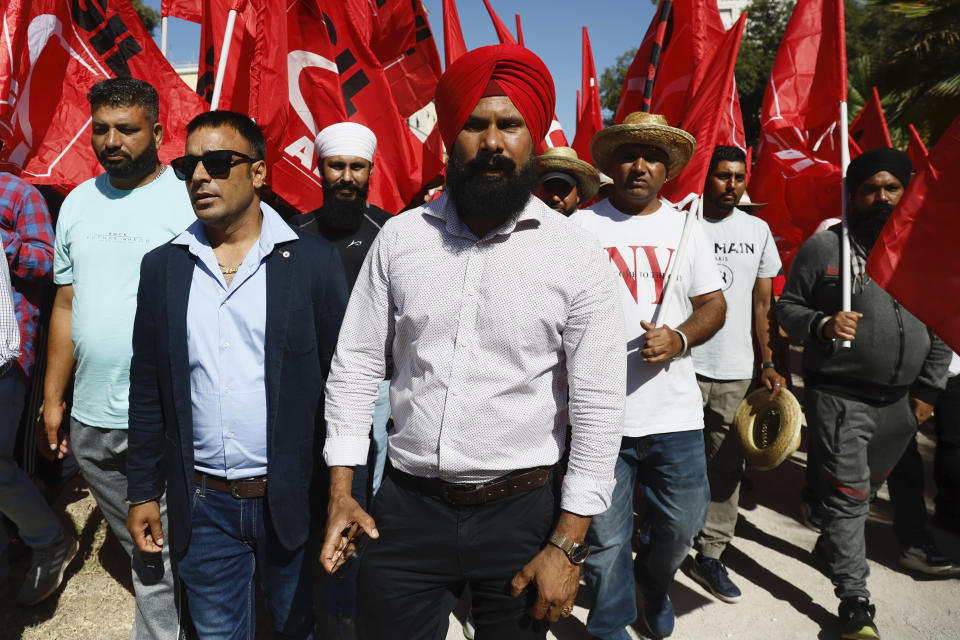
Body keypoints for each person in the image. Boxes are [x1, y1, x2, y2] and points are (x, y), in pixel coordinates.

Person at [319, 44, 627, 640]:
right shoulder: (402, 239)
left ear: (532, 138)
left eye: (509, 125)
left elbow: (598, 404)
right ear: (448, 139)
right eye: (474, 125)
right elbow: (355, 366)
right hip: (405, 514)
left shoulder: (576, 254)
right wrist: (342, 491)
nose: (492, 143)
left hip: (523, 515)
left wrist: (568, 544)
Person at [125, 110, 348, 639]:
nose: (200, 176)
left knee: (297, 629)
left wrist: (346, 491)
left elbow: (346, 388)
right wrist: (141, 492)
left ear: (259, 172)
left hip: (291, 500)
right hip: (203, 507)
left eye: (219, 162)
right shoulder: (163, 268)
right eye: (188, 165)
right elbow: (147, 388)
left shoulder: (312, 263)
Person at [776, 147, 953, 640]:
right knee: (851, 498)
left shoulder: (921, 249)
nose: (881, 197)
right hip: (840, 397)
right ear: (852, 194)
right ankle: (855, 602)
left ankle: (833, 544)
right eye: (870, 188)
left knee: (865, 490)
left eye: (891, 188)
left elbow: (938, 323)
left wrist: (929, 391)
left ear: (906, 192)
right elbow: (787, 309)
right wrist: (822, 323)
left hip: (903, 403)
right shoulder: (824, 248)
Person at [42, 78, 193, 639]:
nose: (111, 141)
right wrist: (55, 398)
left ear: (157, 131)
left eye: (126, 129)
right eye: (100, 129)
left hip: (164, 416)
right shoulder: (77, 203)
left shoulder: (187, 199)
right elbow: (66, 303)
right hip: (90, 421)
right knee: (145, 546)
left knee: (154, 554)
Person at [571, 111, 726, 640]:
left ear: (668, 169)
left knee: (681, 527)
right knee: (606, 537)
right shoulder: (579, 227)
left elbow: (713, 305)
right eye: (629, 155)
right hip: (599, 416)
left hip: (675, 415)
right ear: (612, 164)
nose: (640, 165)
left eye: (652, 157)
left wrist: (680, 338)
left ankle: (655, 584)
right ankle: (610, 623)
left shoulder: (687, 228)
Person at [294, 121, 392, 637]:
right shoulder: (295, 234)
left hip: (374, 398)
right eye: (337, 166)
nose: (347, 177)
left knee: (360, 502)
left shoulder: (391, 234)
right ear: (320, 168)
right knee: (309, 498)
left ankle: (345, 612)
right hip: (306, 390)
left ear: (371, 172)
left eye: (357, 167)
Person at [687, 145, 785, 604]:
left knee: (727, 466)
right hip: (680, 366)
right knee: (670, 463)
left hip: (734, 372)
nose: (731, 184)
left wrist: (767, 362)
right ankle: (657, 543)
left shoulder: (758, 229)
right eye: (722, 176)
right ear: (706, 178)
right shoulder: (682, 219)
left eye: (739, 177)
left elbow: (762, 305)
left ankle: (710, 552)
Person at [934, 352, 960, 534]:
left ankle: (948, 512)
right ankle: (947, 512)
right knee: (952, 443)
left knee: (952, 443)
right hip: (947, 371)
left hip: (951, 372)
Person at [534, 146, 599, 216]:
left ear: (578, 193)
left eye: (563, 189)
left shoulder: (591, 225)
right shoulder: (523, 225)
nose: (555, 198)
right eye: (548, 189)